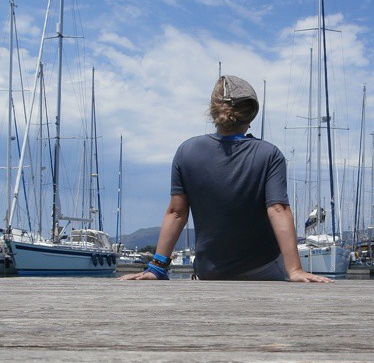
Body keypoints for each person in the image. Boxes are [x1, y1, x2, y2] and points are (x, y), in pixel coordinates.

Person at [121, 75, 331, 283]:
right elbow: (278, 210)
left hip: (210, 272)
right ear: (251, 114)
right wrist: (294, 269)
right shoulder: (269, 154)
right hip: (262, 270)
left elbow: (176, 213)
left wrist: (156, 268)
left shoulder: (187, 151)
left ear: (213, 110)